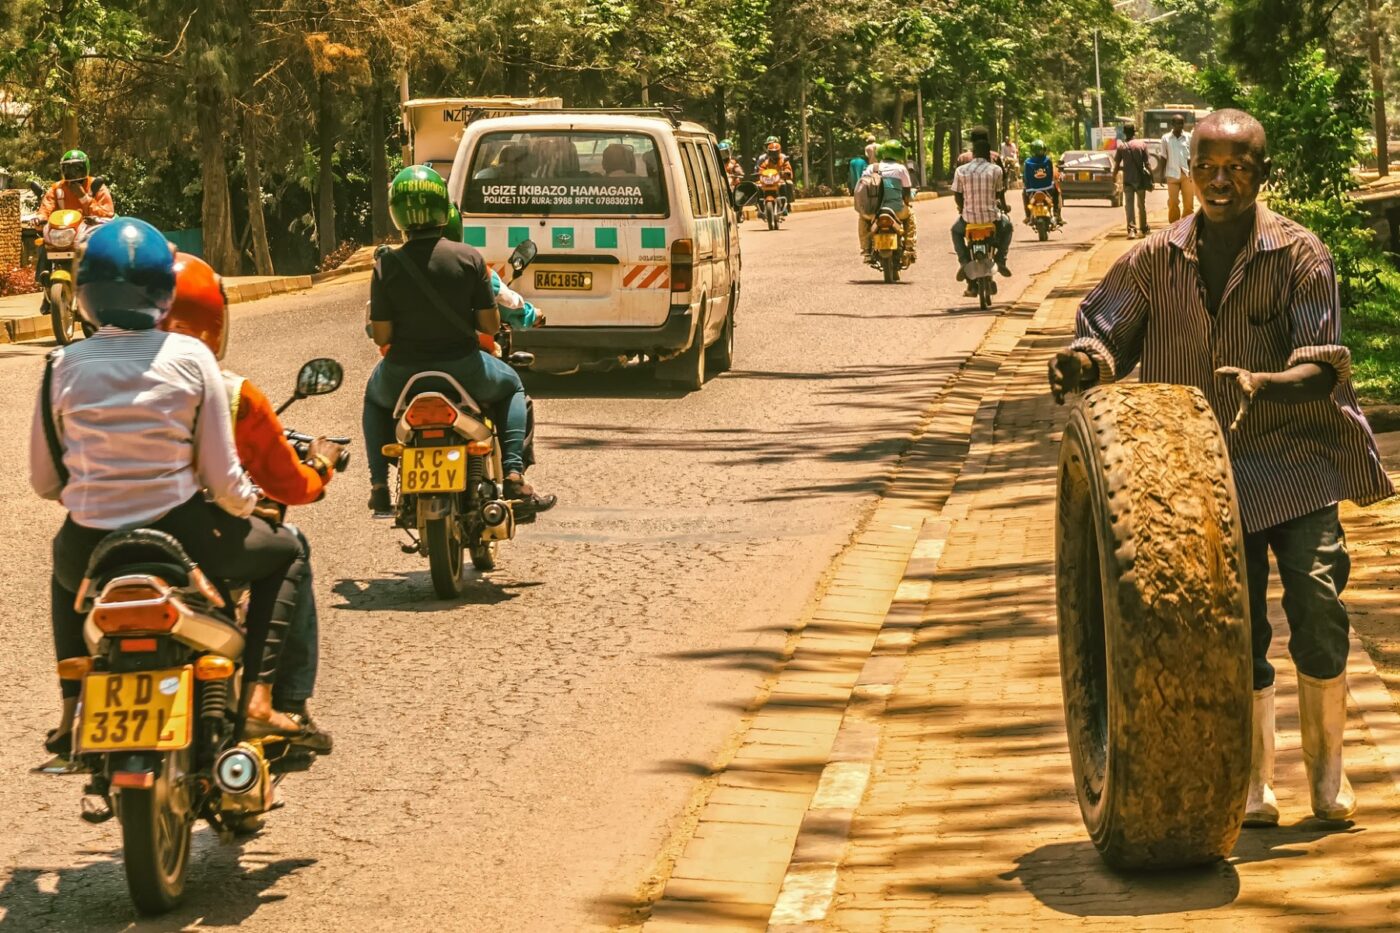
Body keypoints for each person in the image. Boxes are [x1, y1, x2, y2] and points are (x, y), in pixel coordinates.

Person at [1048, 109, 1396, 826]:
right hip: (1192, 477)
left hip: (1296, 460)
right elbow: (1107, 331)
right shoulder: (1154, 258)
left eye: (1237, 167)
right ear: (1188, 171)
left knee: (1319, 605)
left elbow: (1323, 363)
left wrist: (1268, 382)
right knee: (1226, 627)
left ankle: (1329, 776)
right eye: (1207, 166)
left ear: (1261, 174)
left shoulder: (1301, 253)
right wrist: (1084, 360)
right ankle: (1255, 782)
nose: (1220, 180)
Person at [30, 218, 307, 758]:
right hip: (186, 533)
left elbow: (46, 480)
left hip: (89, 542)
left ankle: (71, 712)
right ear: (164, 291)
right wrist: (255, 508)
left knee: (64, 569)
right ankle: (260, 698)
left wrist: (97, 491)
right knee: (288, 553)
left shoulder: (60, 365)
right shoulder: (192, 357)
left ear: (83, 294)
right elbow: (223, 481)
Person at [159, 252, 341, 751]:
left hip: (110, 535)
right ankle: (279, 701)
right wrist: (321, 465)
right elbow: (287, 487)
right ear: (215, 321)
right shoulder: (231, 392)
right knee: (291, 548)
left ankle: (73, 708)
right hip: (204, 530)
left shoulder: (88, 373)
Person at [362, 165, 555, 517]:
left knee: (373, 397)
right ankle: (512, 473)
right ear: (442, 208)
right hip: (465, 369)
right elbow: (490, 325)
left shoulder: (385, 266)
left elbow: (383, 334)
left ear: (397, 213)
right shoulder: (469, 258)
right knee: (513, 386)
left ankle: (378, 487)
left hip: (402, 374)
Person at [951, 128, 1013, 291]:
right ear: (988, 153)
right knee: (1008, 227)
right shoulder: (996, 169)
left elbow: (957, 194)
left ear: (973, 152)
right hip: (991, 217)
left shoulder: (961, 169)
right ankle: (1000, 260)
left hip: (969, 218)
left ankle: (964, 262)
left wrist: (963, 208)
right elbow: (1000, 192)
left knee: (955, 231)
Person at [856, 139, 918, 264]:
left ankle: (866, 250)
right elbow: (906, 192)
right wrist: (906, 202)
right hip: (897, 210)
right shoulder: (901, 169)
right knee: (910, 217)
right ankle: (909, 248)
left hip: (874, 211)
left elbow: (862, 188)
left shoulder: (871, 168)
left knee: (863, 219)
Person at [37, 149, 115, 223]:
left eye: (77, 169)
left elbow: (107, 216)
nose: (73, 173)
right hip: (64, 232)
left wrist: (84, 198)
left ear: (85, 168)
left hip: (90, 233)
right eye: (68, 169)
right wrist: (40, 219)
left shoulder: (96, 186)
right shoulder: (57, 188)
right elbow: (45, 209)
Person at [1112, 121, 1154, 238]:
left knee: (1129, 206)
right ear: (1134, 132)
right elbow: (1147, 164)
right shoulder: (1142, 145)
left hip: (1128, 181)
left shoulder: (1122, 147)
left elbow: (1116, 165)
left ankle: (1131, 230)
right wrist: (1152, 179)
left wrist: (1113, 177)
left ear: (1125, 133)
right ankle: (1144, 228)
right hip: (1140, 180)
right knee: (1141, 205)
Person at [1021, 139, 1064, 226]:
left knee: (1023, 193)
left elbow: (1025, 178)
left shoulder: (1027, 162)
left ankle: (1028, 216)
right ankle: (1057, 215)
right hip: (1048, 189)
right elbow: (1051, 175)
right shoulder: (1048, 160)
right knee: (1057, 192)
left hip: (1031, 191)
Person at [1161, 114, 1194, 224]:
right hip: (1172, 174)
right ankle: (1174, 227)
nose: (1180, 125)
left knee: (1189, 205)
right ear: (1172, 124)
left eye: (1182, 123)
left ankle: (1186, 227)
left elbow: (1192, 156)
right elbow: (1163, 157)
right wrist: (1161, 174)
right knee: (1173, 203)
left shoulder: (1189, 137)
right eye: (1178, 123)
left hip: (1187, 175)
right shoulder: (1166, 138)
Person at [754, 137, 795, 214]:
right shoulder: (765, 160)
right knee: (757, 186)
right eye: (772, 152)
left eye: (775, 152)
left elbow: (788, 168)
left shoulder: (783, 159)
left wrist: (786, 172)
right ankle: (760, 207)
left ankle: (784, 205)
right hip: (767, 180)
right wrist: (759, 173)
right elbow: (761, 168)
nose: (774, 154)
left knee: (784, 184)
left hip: (779, 179)